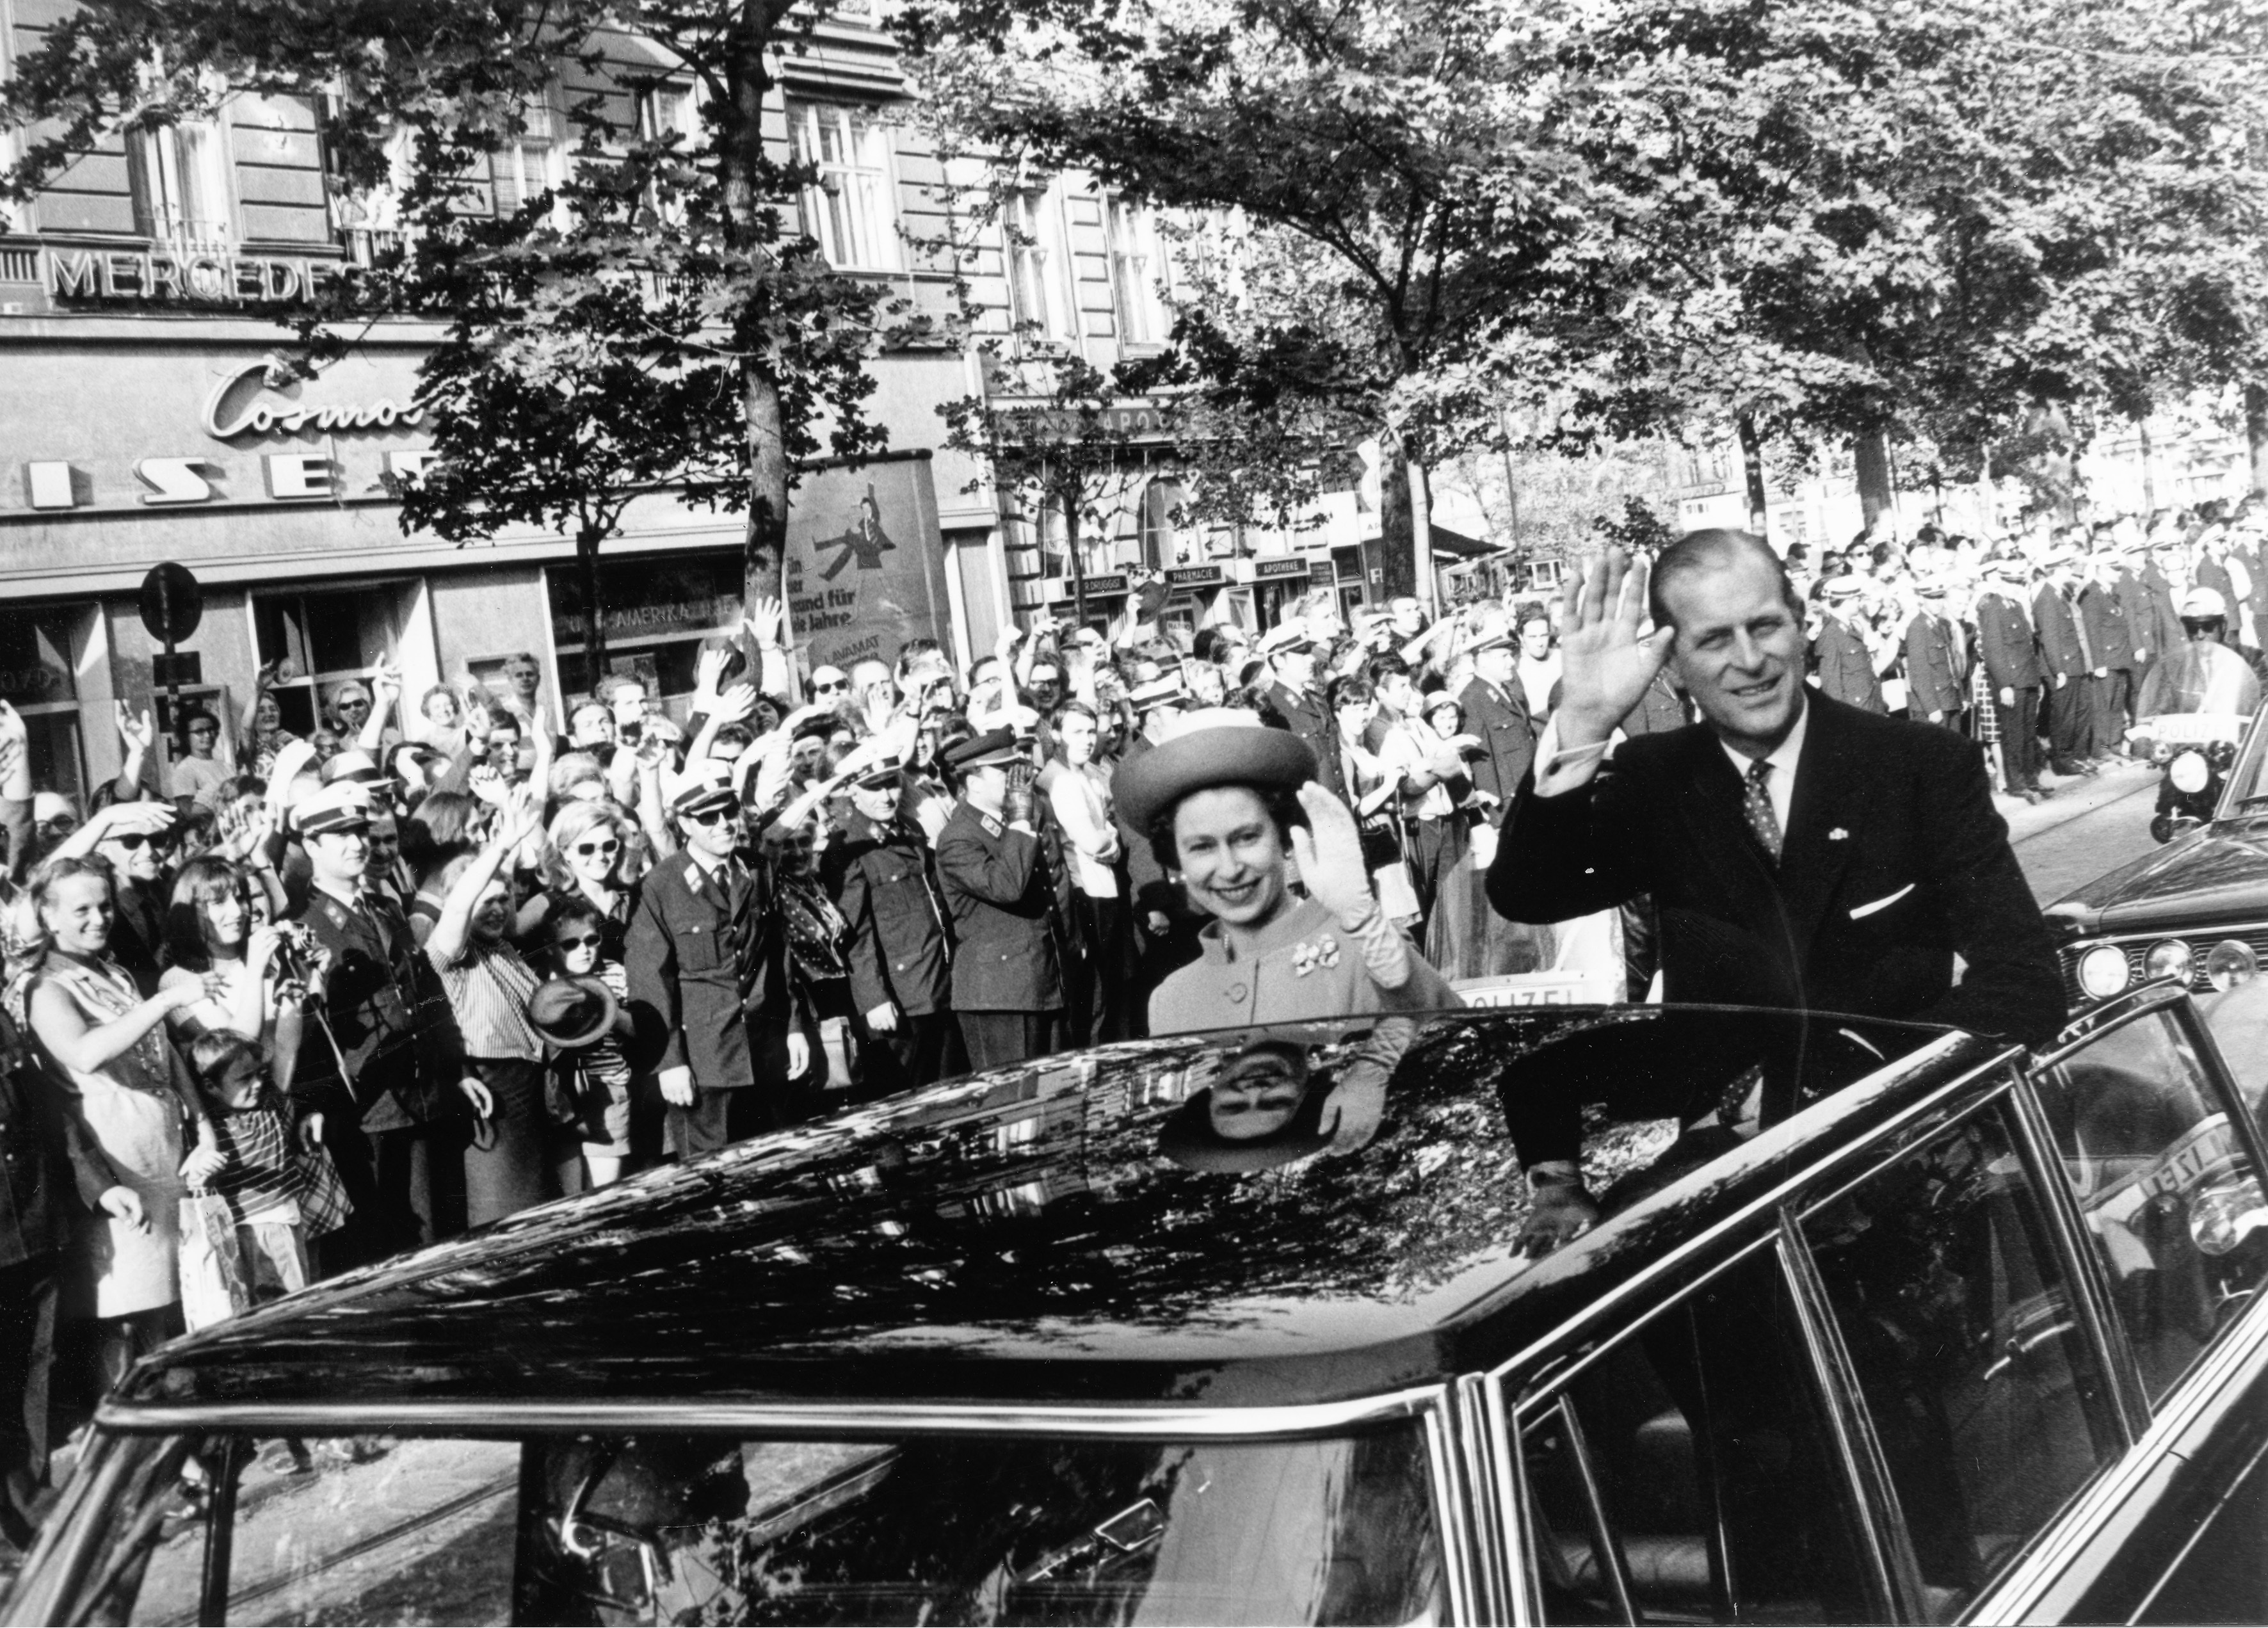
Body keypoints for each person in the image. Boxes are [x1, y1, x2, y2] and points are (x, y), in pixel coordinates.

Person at [1488, 534, 2063, 1248]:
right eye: (1713, 640)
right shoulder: (1654, 777)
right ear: (1671, 663)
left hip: (1912, 1175)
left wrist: (1837, 1094)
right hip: (1729, 1201)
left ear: (1800, 621)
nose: (1750, 661)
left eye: (1764, 626)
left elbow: (2026, 984)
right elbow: (1529, 893)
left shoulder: (1917, 766)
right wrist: (1581, 723)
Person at [1114, 709, 1456, 1036]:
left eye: (1247, 838)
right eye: (1201, 847)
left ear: (1282, 834)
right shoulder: (1172, 1002)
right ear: (1175, 857)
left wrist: (1365, 923)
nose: (1230, 869)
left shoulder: (1363, 948)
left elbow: (1456, 1041)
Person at [18, 858, 214, 1394]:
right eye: (80, 908)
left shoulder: (114, 973)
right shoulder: (46, 988)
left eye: (104, 904)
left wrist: (204, 1127)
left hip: (165, 1159)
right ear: (48, 916)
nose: (99, 917)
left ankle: (177, 1434)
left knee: (172, 1307)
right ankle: (141, 1447)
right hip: (117, 1167)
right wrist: (166, 1000)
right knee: (125, 1319)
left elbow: (168, 1059)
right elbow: (85, 1053)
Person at [287, 780, 488, 1271]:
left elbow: (425, 992)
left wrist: (457, 1066)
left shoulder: (385, 907)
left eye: (360, 830)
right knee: (383, 1246)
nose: (358, 843)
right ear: (312, 845)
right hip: (364, 1108)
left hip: (423, 1093)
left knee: (436, 1233)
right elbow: (302, 1026)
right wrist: (313, 1100)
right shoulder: (299, 922)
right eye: (341, 834)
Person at [625, 761, 812, 1159]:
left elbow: (777, 954)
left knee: (777, 1165)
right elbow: (650, 982)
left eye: (729, 810)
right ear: (684, 823)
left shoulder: (756, 867)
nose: (724, 823)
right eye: (708, 816)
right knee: (713, 1177)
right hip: (705, 1064)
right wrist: (670, 1061)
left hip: (766, 1052)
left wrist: (795, 1025)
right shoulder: (662, 885)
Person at [424, 789, 556, 1226]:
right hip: (489, 1086)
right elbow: (462, 901)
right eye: (488, 899)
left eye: (504, 898)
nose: (497, 908)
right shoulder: (452, 951)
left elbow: (560, 884)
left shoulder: (504, 947)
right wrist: (498, 847)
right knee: (503, 1215)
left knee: (537, 1209)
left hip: (529, 1086)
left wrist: (526, 834)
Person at [933, 729, 1070, 1072]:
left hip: (1039, 979)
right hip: (999, 993)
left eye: (1017, 769)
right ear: (974, 782)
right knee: (1012, 1101)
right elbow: (1007, 886)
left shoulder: (1009, 823)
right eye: (1003, 772)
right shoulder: (958, 837)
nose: (1015, 780)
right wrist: (1021, 819)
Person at [822, 752, 954, 1099]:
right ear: (852, 792)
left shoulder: (908, 828)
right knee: (910, 1099)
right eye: (873, 787)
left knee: (949, 1093)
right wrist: (874, 997)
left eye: (891, 784)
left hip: (940, 984)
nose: (886, 796)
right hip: (901, 999)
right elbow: (853, 933)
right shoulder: (846, 849)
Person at [1975, 558, 2048, 802]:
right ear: (2003, 581)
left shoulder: (2015, 606)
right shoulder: (1994, 608)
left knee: (2029, 733)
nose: (2018, 586)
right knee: (2014, 735)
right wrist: (2004, 684)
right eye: (2013, 582)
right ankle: (2017, 783)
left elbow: (2027, 647)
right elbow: (1993, 650)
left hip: (2026, 678)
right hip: (2011, 683)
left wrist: (2035, 681)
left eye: (2020, 581)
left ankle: (2031, 779)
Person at [2135, 587, 2263, 719]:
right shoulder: (2175, 668)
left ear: (2223, 626)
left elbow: (2263, 706)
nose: (2200, 635)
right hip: (2191, 739)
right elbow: (2158, 710)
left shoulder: (2251, 659)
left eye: (2208, 627)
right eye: (2192, 628)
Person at [1257, 621, 1347, 802]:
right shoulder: (1273, 707)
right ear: (1278, 660)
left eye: (1310, 652)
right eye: (1302, 653)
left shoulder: (1316, 700)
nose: (1311, 659)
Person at [166, 707, 232, 806]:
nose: (207, 735)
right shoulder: (185, 770)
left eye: (210, 730)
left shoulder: (225, 766)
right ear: (186, 737)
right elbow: (188, 812)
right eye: (199, 732)